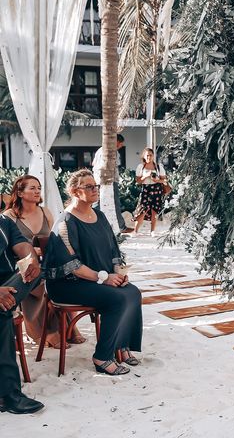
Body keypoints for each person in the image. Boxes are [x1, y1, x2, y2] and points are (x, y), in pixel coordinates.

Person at [43, 169, 142, 376]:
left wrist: (118, 272)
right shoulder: (66, 222)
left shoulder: (100, 215)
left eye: (95, 186)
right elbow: (72, 266)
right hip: (68, 284)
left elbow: (113, 250)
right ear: (74, 191)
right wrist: (104, 278)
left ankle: (121, 346)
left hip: (98, 279)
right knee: (116, 299)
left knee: (132, 292)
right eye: (89, 187)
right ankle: (103, 356)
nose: (95, 189)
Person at [3, 175, 84, 348]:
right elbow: (8, 249)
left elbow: (55, 240)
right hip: (21, 265)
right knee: (37, 279)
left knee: (64, 276)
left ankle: (70, 327)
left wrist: (44, 251)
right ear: (19, 192)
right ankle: (47, 332)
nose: (37, 191)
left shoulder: (45, 212)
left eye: (38, 187)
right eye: (32, 188)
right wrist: (32, 256)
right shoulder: (9, 216)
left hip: (47, 260)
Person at [0, 215, 44, 414]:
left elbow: (23, 247)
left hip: (11, 283)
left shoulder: (4, 221)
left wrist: (31, 262)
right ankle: (9, 395)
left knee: (35, 273)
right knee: (1, 315)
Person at [92, 134, 133, 233]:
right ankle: (121, 226)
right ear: (116, 142)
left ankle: (95, 224)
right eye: (120, 143)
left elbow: (93, 163)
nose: (121, 146)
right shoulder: (112, 151)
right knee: (114, 202)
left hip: (97, 179)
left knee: (97, 202)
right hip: (108, 180)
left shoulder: (100, 150)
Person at [133, 147, 167, 236]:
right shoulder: (141, 167)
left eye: (150, 155)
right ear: (144, 156)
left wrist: (157, 180)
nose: (149, 157)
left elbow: (164, 181)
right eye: (147, 155)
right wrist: (146, 176)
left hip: (157, 189)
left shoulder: (159, 167)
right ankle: (135, 231)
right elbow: (138, 181)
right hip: (145, 189)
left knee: (154, 211)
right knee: (142, 210)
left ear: (153, 156)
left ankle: (152, 231)